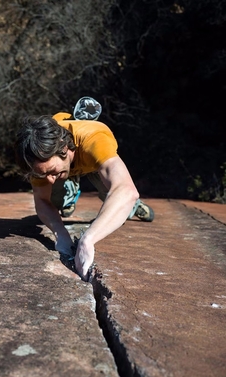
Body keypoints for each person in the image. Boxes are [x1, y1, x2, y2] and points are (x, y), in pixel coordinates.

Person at [15, 100, 154, 281]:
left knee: (119, 201)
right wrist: (60, 233)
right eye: (43, 174)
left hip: (93, 164)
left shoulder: (94, 139)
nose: (48, 179)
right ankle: (69, 182)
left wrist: (87, 240)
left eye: (51, 172)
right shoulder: (38, 155)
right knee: (57, 202)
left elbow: (126, 190)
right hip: (69, 163)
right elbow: (42, 201)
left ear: (64, 148)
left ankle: (133, 207)